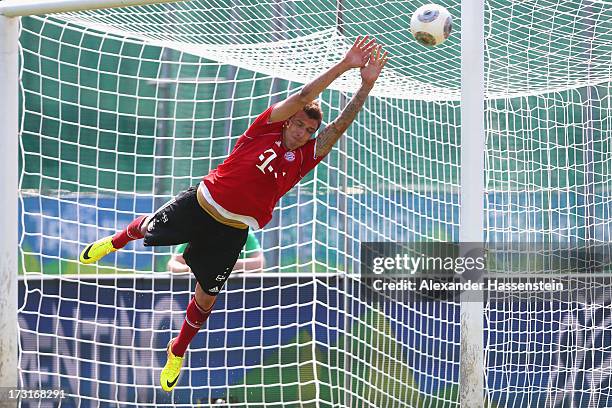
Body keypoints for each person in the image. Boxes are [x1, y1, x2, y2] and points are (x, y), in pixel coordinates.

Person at [79, 35, 388, 392]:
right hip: (202, 202)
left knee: (207, 296)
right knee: (147, 227)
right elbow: (304, 97)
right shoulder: (265, 127)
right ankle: (114, 242)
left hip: (233, 230)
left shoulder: (305, 158)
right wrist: (347, 66)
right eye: (299, 125)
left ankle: (177, 349)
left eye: (309, 130)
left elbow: (337, 128)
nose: (303, 133)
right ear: (288, 122)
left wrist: (365, 87)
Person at [167, 231, 264, 273]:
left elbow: (260, 263)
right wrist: (193, 269)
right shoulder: (198, 232)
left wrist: (224, 266)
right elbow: (172, 264)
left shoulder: (243, 230)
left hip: (237, 293)